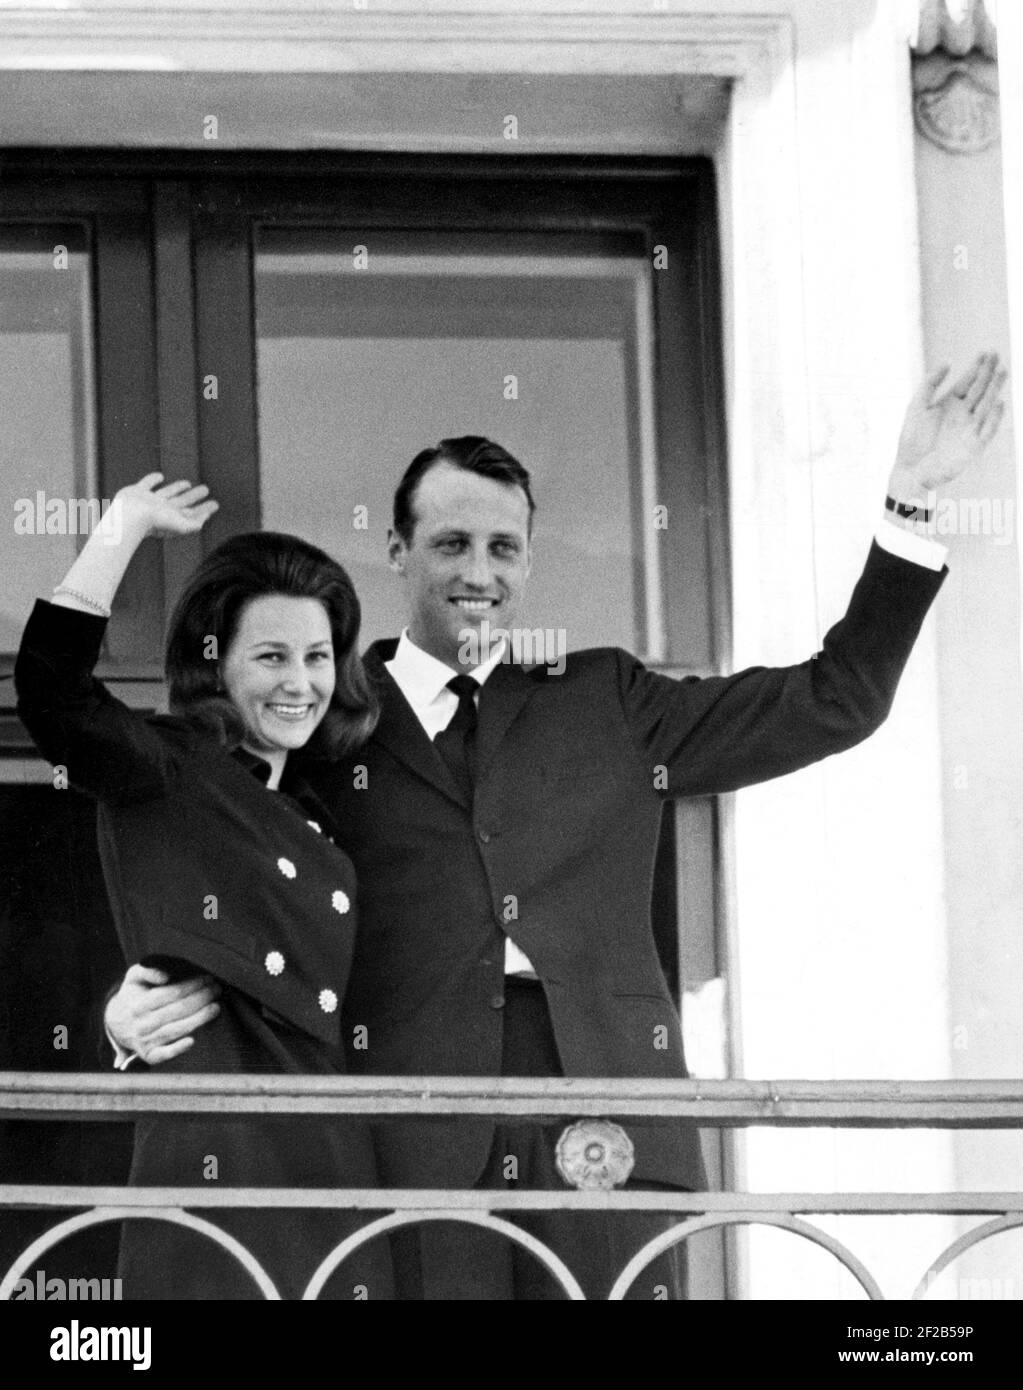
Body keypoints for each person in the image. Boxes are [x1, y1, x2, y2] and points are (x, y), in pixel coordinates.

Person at [106, 353, 1009, 1300]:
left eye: (504, 548)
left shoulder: (609, 700)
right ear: (397, 552)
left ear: (529, 561)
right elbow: (201, 866)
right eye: (451, 544)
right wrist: (125, 1019)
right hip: (405, 1136)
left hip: (611, 1122)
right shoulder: (326, 716)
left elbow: (838, 699)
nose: (479, 572)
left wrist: (909, 499)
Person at [16, 474, 393, 1300]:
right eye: (270, 656)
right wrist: (121, 528)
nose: (300, 682)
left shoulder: (320, 811)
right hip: (221, 1159)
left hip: (331, 1159)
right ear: (214, 665)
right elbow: (53, 693)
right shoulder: (172, 767)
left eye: (317, 656)